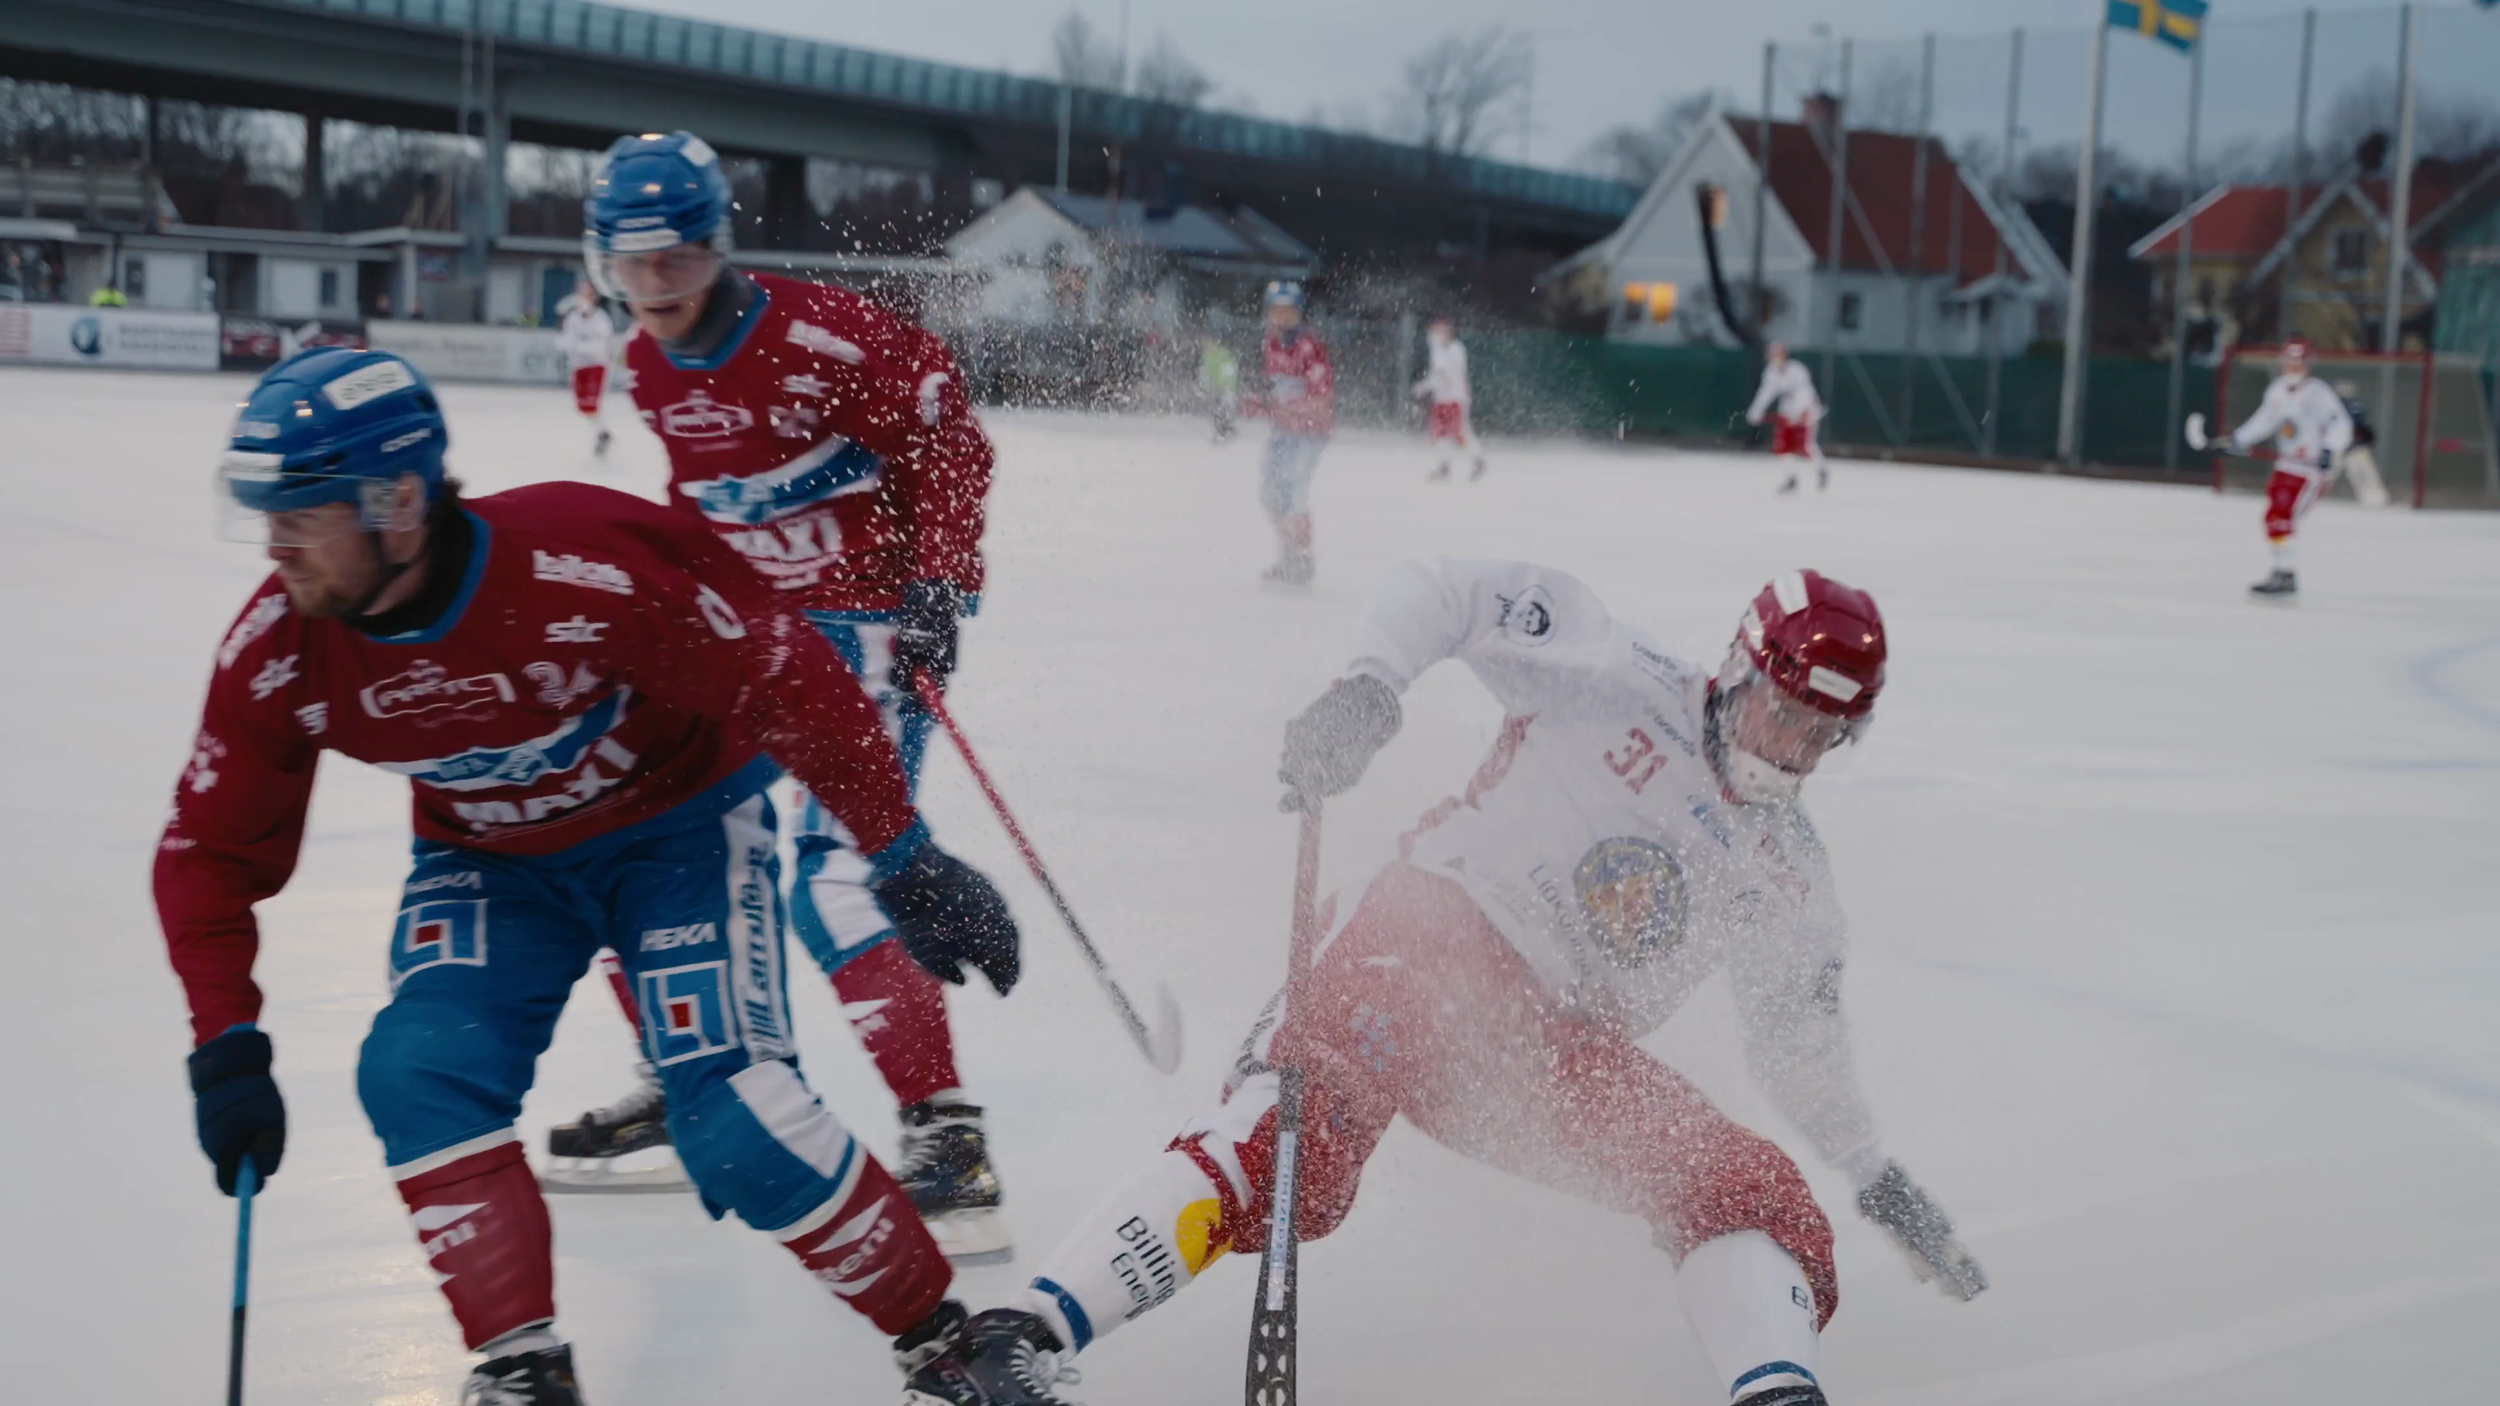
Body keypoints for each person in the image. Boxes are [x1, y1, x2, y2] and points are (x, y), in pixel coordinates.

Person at [906, 559, 1987, 1406]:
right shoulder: (1615, 670)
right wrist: (1368, 690)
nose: (1790, 751)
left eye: (1821, 735)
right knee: (1301, 1151)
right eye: (1782, 713)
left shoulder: (1790, 875)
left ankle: (1776, 1389)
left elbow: (1798, 1037)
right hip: (1426, 940)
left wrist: (1869, 1167)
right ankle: (1019, 1339)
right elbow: (1446, 588)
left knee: (1748, 1190)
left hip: (1544, 1052)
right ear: (1742, 669)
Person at [161, 348, 1023, 1403]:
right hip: (490, 866)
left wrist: (904, 857)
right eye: (263, 511)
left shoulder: (581, 564)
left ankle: (948, 1342)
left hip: (681, 834)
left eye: (300, 510)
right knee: (416, 1071)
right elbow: (207, 854)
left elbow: (788, 678)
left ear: (395, 499)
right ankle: (523, 1368)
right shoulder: (281, 649)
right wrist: (225, 1045)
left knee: (736, 1121)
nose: (274, 541)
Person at [574, 131, 1012, 1258]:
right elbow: (701, 501)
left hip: (862, 626)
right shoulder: (646, 361)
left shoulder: (823, 336)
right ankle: (696, 1074)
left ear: (718, 247)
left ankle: (947, 1131)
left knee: (836, 877)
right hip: (745, 638)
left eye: (675, 262)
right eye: (633, 269)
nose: (656, 290)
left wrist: (938, 584)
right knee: (619, 829)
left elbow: (948, 435)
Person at [2230, 339, 2353, 597]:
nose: (2293, 365)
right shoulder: (2277, 390)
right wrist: (2238, 439)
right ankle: (2281, 571)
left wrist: (2330, 449)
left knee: (2282, 516)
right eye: (2288, 360)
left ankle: (2286, 574)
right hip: (2285, 465)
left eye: (2298, 360)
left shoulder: (2318, 393)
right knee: (2273, 518)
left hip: (2308, 471)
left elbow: (2340, 424)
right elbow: (2264, 420)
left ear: (2307, 363)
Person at [1241, 280, 1334, 586]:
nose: (1282, 318)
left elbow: (1318, 399)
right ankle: (1287, 553)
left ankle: (1303, 557)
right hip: (1282, 432)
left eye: (1288, 311)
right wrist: (1253, 405)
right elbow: (1273, 391)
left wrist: (1278, 407)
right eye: (1276, 311)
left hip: (1308, 434)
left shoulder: (1309, 347)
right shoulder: (1270, 344)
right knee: (1270, 493)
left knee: (1295, 491)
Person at [1745, 343, 1826, 494]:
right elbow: (1766, 393)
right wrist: (1755, 411)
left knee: (1805, 445)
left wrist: (1799, 413)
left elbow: (1805, 393)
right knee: (1782, 446)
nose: (1775, 359)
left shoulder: (1797, 370)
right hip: (1787, 411)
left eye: (1777, 355)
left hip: (1806, 410)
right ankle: (1791, 478)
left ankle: (1821, 470)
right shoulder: (1770, 372)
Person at [1415, 316, 1486, 482]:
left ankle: (1478, 460)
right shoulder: (1440, 351)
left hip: (1454, 399)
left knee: (1459, 432)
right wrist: (1423, 387)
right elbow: (1436, 376)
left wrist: (1436, 350)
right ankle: (1444, 465)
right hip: (1442, 400)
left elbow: (1444, 372)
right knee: (1440, 433)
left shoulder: (1455, 349)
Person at [555, 280, 617, 458]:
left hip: (597, 365)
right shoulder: (573, 318)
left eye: (587, 293)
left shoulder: (601, 319)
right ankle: (602, 431)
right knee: (582, 406)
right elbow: (568, 338)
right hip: (579, 366)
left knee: (592, 402)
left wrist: (579, 347)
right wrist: (564, 345)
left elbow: (601, 345)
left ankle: (603, 434)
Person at [2329, 378, 2393, 509]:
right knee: (2321, 474)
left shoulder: (2356, 406)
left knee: (2366, 475)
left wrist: (2363, 438)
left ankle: (2377, 500)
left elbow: (2362, 426)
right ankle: (2308, 498)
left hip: (2354, 448)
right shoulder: (2330, 407)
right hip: (2335, 449)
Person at [1197, 335, 1240, 442]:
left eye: (1206, 342)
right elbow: (1205, 374)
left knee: (1222, 408)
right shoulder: (1209, 356)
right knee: (1219, 409)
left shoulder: (1220, 355)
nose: (1205, 345)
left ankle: (1224, 430)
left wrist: (1223, 386)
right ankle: (1224, 429)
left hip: (1223, 388)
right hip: (1219, 388)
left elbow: (1227, 371)